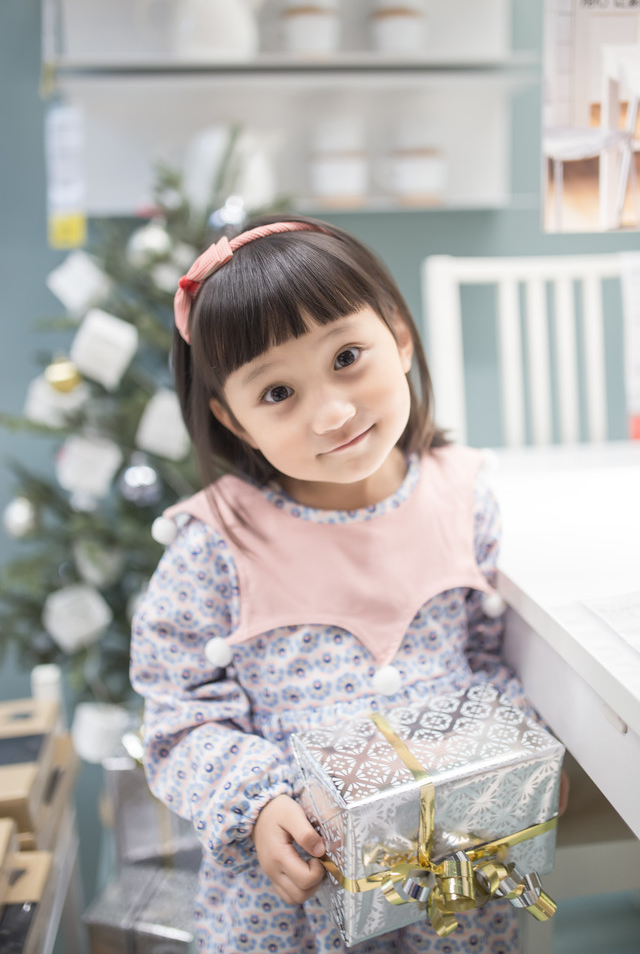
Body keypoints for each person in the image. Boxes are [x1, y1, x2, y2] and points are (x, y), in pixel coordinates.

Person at [130, 215, 547, 953]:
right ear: (233, 419)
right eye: (278, 393)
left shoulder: (465, 496)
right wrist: (258, 804)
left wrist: (519, 764)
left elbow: (491, 662)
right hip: (296, 908)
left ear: (400, 336)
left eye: (348, 356)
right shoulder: (214, 546)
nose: (331, 410)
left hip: (449, 890)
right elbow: (177, 719)